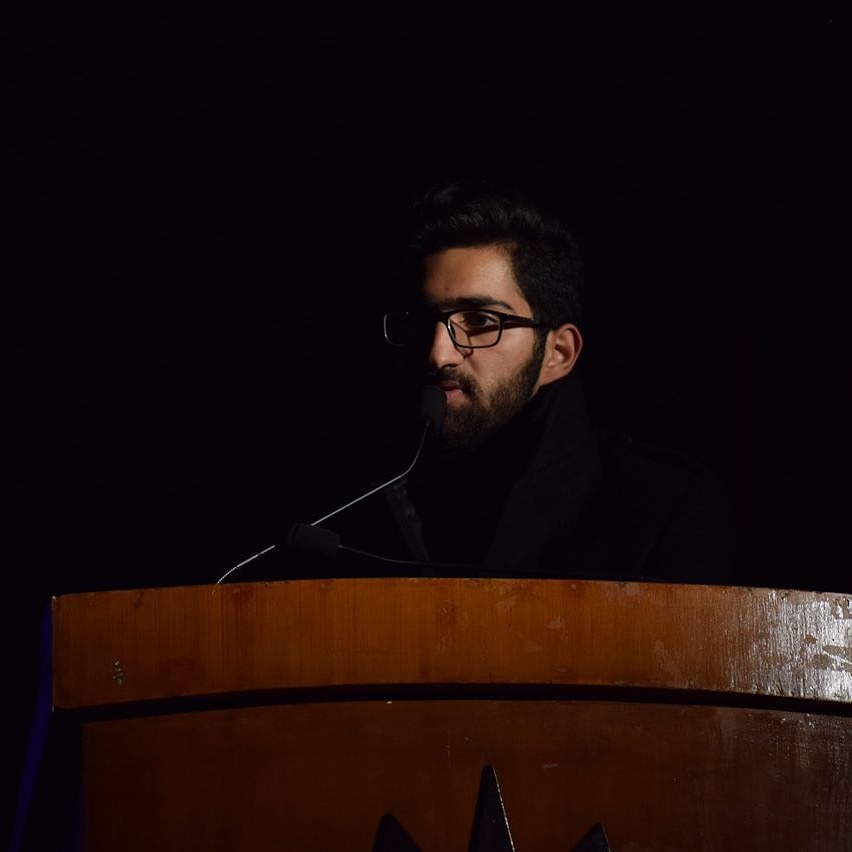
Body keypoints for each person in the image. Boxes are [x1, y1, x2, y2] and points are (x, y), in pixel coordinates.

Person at [288, 176, 737, 585]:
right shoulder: (347, 503)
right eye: (424, 322)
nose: (438, 354)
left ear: (558, 354)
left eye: (481, 321)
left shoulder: (664, 509)